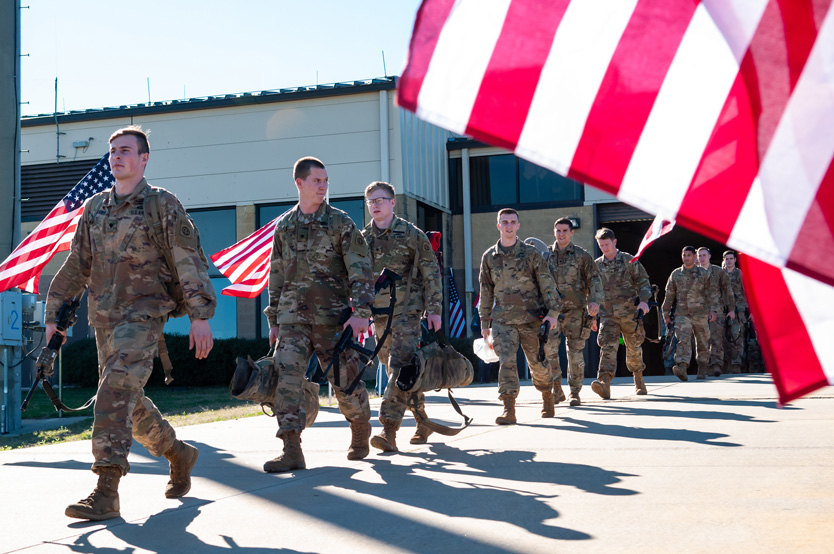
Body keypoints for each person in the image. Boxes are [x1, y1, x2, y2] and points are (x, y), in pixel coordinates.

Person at [46, 126, 217, 520]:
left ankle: (106, 490)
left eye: (125, 150)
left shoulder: (162, 205)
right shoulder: (95, 209)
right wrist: (55, 313)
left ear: (144, 159)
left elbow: (188, 259)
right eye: (112, 151)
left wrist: (200, 316)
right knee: (128, 403)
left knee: (114, 392)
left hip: (144, 315)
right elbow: (77, 264)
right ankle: (179, 453)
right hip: (104, 318)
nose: (116, 156)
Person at [263, 156, 375, 473]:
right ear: (299, 183)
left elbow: (361, 270)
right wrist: (273, 320)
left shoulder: (341, 223)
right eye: (317, 181)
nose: (323, 186)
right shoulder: (284, 226)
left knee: (345, 382)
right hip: (292, 321)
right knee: (286, 380)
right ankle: (291, 449)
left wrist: (362, 311)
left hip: (333, 319)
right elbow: (276, 276)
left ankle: (359, 426)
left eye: (326, 181)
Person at [361, 181, 443, 451]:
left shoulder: (411, 234)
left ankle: (388, 430)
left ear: (393, 202)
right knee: (401, 372)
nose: (375, 205)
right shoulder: (364, 239)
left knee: (399, 368)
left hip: (407, 311)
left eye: (380, 200)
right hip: (379, 315)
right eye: (371, 201)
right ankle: (422, 421)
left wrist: (435, 310)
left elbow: (431, 273)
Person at [479, 208, 561, 424]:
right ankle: (508, 408)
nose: (508, 225)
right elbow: (485, 290)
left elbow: (547, 283)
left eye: (512, 222)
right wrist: (484, 321)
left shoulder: (531, 254)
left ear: (518, 226)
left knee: (537, 363)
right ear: (498, 226)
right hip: (503, 320)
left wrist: (553, 312)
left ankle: (547, 395)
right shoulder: (489, 257)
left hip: (531, 319)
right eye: (504, 222)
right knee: (506, 361)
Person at [543, 217, 603, 406]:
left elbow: (594, 279)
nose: (561, 234)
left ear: (571, 233)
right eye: (558, 231)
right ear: (554, 232)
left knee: (575, 353)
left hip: (576, 311)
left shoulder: (581, 256)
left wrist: (594, 302)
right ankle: (556, 389)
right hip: (552, 313)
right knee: (549, 351)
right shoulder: (545, 256)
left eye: (565, 231)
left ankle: (574, 392)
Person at [593, 228, 652, 397]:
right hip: (608, 315)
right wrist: (592, 316)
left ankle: (638, 378)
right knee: (607, 347)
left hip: (629, 313)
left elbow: (643, 281)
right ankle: (604, 383)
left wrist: (644, 301)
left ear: (614, 242)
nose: (604, 247)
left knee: (633, 348)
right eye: (601, 245)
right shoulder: (597, 265)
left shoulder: (629, 260)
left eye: (607, 244)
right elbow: (593, 291)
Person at [661, 246, 718, 381]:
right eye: (684, 255)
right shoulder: (676, 274)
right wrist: (666, 314)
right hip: (682, 315)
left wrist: (713, 310)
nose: (686, 258)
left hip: (701, 314)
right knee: (682, 340)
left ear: (694, 257)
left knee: (703, 342)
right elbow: (669, 295)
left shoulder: (704, 274)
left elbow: (713, 293)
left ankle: (702, 366)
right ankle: (682, 366)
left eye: (689, 255)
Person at [697, 247, 736, 377]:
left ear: (709, 256)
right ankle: (704, 366)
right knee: (702, 340)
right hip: (700, 312)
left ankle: (716, 365)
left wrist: (731, 309)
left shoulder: (719, 272)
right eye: (700, 256)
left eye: (704, 255)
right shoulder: (694, 273)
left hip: (717, 311)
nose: (702, 258)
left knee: (716, 338)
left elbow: (728, 291)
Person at [722, 250, 747, 374]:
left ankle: (736, 365)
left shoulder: (740, 274)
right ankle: (726, 366)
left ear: (735, 260)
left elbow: (748, 293)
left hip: (738, 312)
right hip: (723, 311)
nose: (729, 261)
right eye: (726, 259)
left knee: (737, 338)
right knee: (724, 338)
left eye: (731, 258)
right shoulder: (721, 275)